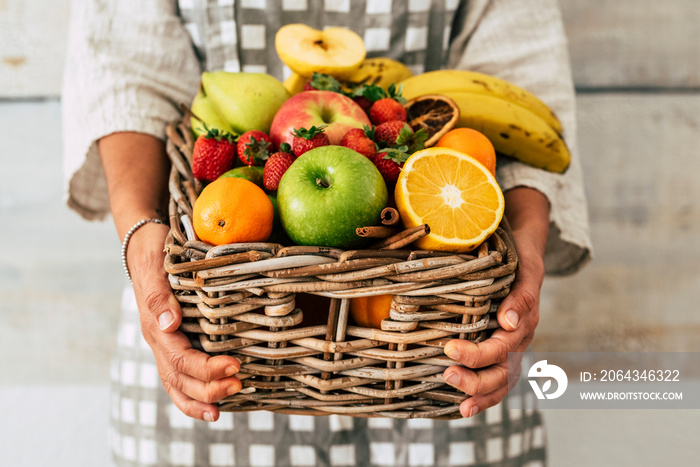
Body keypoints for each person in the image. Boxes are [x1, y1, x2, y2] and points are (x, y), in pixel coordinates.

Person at [62, 0, 592, 465]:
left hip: (439, 349)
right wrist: (140, 233)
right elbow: (124, 71)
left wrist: (525, 247)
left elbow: (525, 74)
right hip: (212, 346)